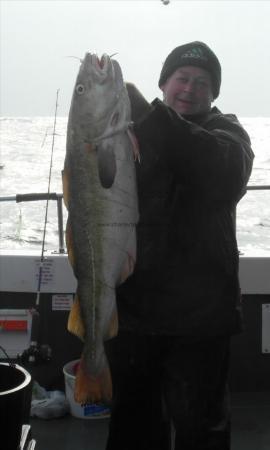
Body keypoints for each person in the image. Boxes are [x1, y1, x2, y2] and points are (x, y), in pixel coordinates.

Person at [105, 41, 254, 450]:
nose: (190, 88)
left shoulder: (228, 134)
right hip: (135, 313)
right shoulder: (130, 133)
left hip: (201, 321)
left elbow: (224, 172)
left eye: (202, 83)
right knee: (133, 429)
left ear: (214, 94)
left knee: (201, 432)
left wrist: (153, 118)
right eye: (182, 78)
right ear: (164, 83)